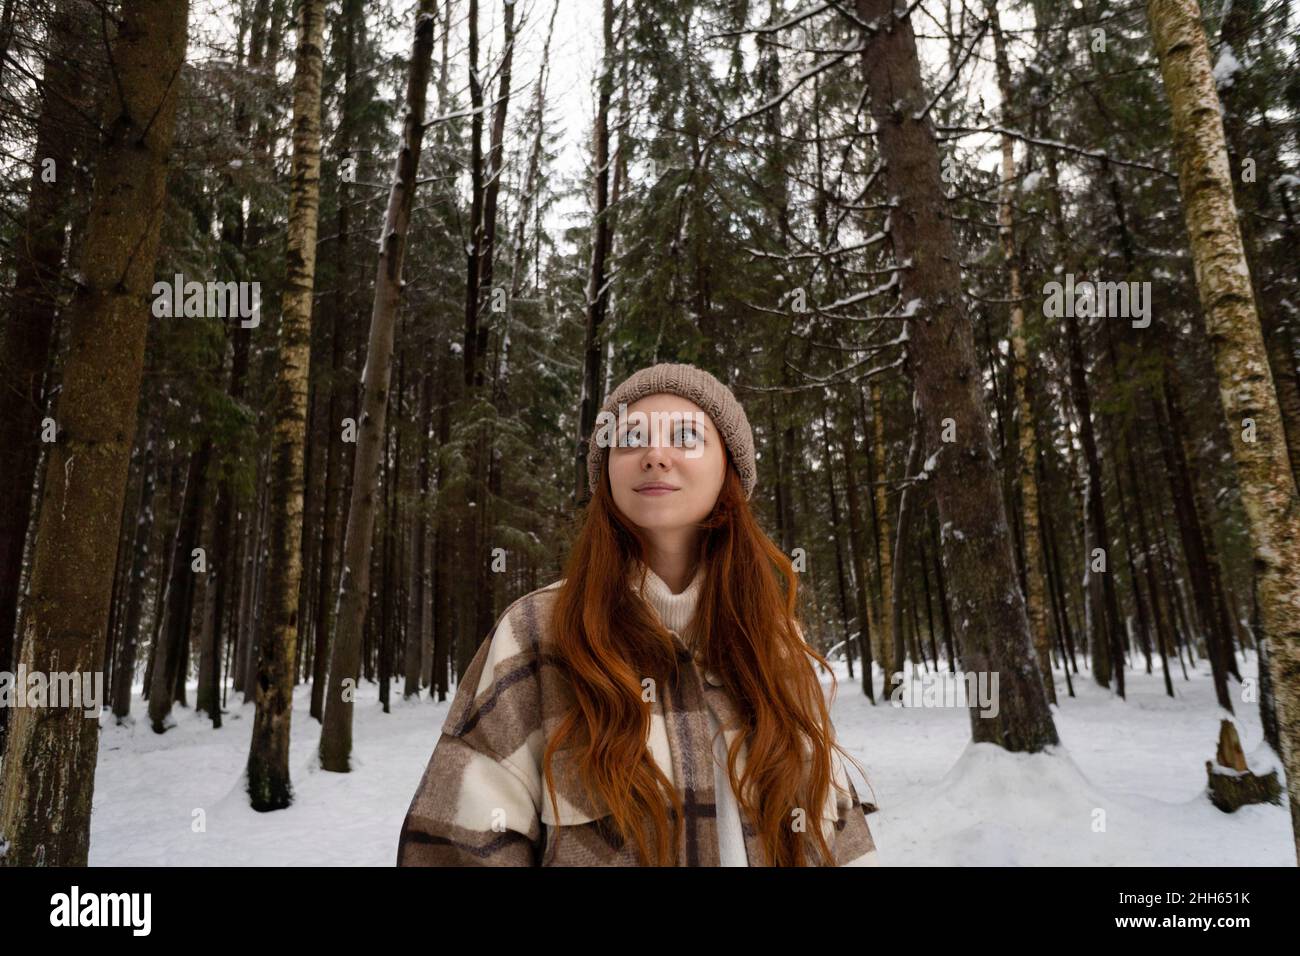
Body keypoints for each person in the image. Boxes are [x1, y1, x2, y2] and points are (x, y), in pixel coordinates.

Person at [397, 363, 879, 866]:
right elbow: (453, 849)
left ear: (729, 469)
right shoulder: (537, 634)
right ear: (606, 473)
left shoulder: (778, 644)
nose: (655, 455)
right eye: (630, 437)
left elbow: (840, 844)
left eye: (687, 436)